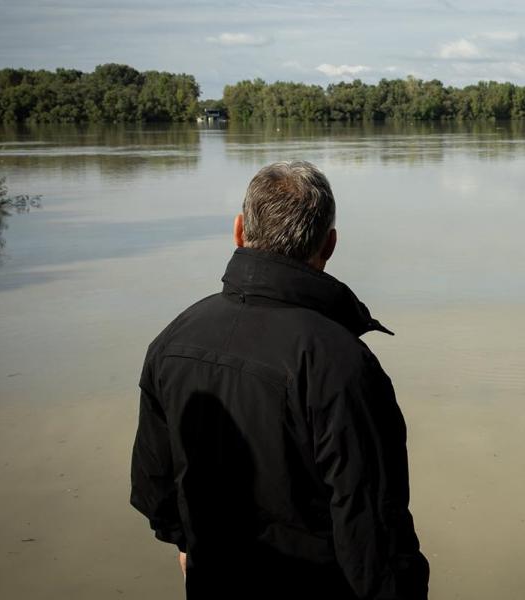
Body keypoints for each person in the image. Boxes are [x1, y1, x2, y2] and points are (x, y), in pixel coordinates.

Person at [130, 161, 429, 599]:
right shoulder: (341, 362)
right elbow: (373, 532)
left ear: (238, 231)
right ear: (329, 245)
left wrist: (187, 543)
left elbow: (153, 486)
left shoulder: (173, 339)